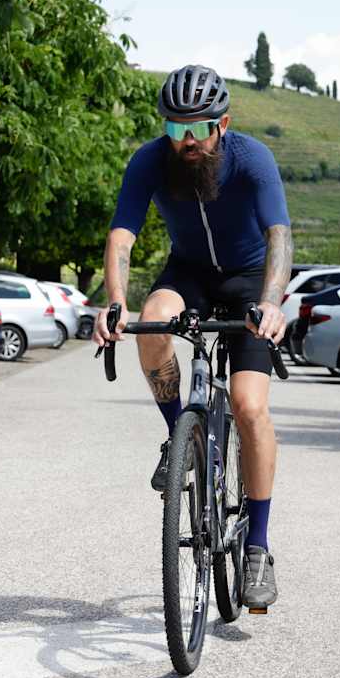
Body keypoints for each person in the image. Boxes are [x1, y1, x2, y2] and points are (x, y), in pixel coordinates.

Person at [93, 65, 292, 611]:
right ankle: (179, 438)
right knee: (153, 321)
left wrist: (271, 301)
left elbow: (279, 235)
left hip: (249, 279)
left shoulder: (252, 158)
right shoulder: (150, 160)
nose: (185, 141)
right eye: (174, 128)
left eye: (196, 128)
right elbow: (122, 235)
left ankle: (257, 548)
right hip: (188, 273)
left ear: (221, 124)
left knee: (249, 406)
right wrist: (115, 301)